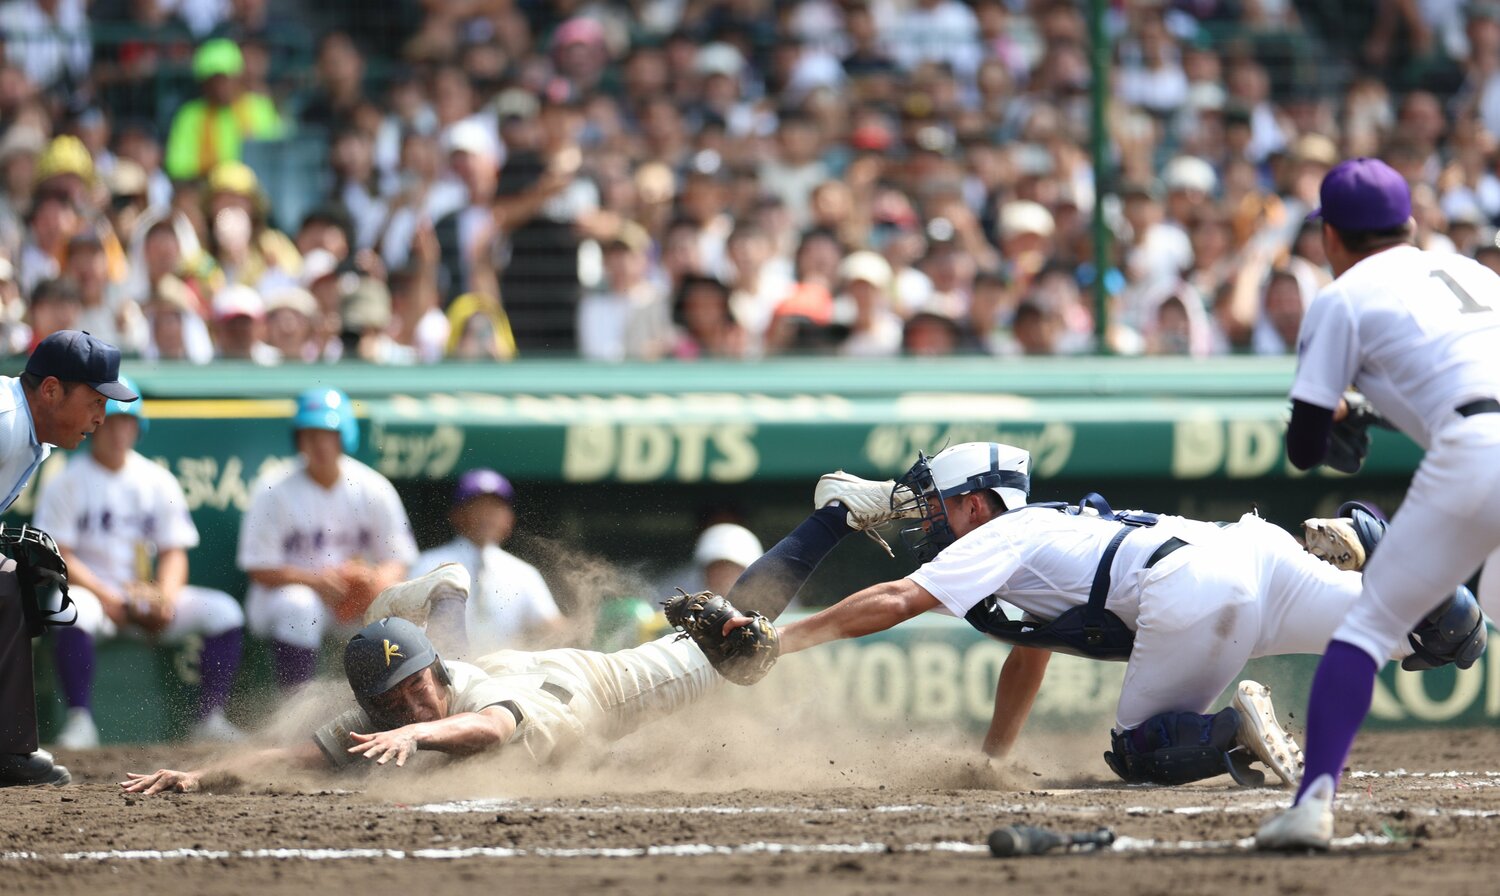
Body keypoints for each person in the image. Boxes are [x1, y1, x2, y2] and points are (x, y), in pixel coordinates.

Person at [725, 443, 1480, 788]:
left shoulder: (1000, 534)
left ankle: (1232, 726)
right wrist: (992, 759)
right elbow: (1031, 651)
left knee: (1140, 754)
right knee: (1428, 636)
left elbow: (895, 599)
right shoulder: (1046, 535)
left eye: (943, 502)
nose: (933, 516)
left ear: (978, 502)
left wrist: (779, 642)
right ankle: (1386, 554)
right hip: (1254, 551)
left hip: (1193, 590)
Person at [120, 497, 863, 792]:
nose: (411, 700)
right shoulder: (393, 714)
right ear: (373, 706)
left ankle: (834, 515)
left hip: (601, 684)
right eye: (395, 698)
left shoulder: (450, 704)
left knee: (738, 642)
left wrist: (421, 729)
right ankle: (444, 597)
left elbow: (489, 725)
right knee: (439, 666)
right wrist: (201, 776)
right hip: (513, 671)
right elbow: (291, 758)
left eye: (415, 684)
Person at [1255, 158, 1500, 850]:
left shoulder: (1340, 297)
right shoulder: (1474, 272)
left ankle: (1312, 805)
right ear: (1411, 226)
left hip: (1477, 448)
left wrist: (1338, 412)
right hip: (1482, 423)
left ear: (1329, 237)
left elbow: (1305, 447)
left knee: (1366, 629)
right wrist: (1365, 403)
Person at [33, 376, 246, 749]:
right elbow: (58, 554)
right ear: (95, 423)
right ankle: (80, 721)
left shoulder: (156, 479)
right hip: (96, 597)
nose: (119, 430)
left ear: (138, 426)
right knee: (66, 609)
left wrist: (166, 597)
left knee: (224, 611)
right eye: (111, 420)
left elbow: (174, 551)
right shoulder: (67, 480)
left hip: (147, 599)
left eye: (127, 421)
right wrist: (108, 597)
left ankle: (209, 719)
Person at [1, 330, 136, 786]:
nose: (102, 418)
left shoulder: (31, 432)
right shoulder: (4, 420)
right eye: (96, 401)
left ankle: (8, 750)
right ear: (52, 390)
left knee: (9, 584)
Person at [238, 387, 416, 691]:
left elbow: (398, 559)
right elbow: (258, 566)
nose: (319, 443)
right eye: (310, 434)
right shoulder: (274, 487)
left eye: (327, 433)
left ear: (343, 435)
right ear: (299, 439)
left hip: (352, 596)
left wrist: (375, 581)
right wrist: (315, 581)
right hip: (285, 596)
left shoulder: (372, 486)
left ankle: (389, 707)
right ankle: (294, 709)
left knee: (400, 598)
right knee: (299, 605)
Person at [410, 469, 564, 654]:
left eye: (495, 507)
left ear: (509, 518)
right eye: (478, 506)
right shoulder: (427, 564)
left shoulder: (523, 573)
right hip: (442, 674)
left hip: (505, 676)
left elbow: (552, 628)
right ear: (457, 514)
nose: (487, 515)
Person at [164, 39, 284, 181]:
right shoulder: (190, 115)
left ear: (239, 77)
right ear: (203, 84)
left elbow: (279, 152)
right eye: (214, 80)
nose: (221, 87)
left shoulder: (259, 107)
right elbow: (177, 165)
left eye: (227, 78)